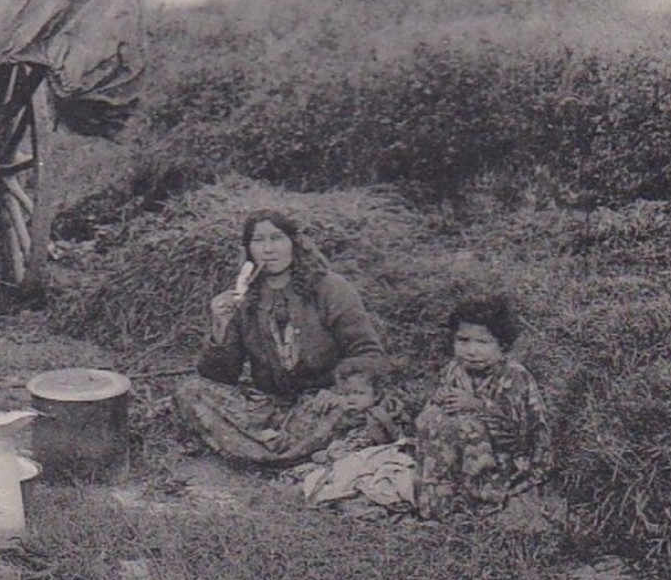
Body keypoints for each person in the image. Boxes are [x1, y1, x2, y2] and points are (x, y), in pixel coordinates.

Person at [173, 210, 391, 467]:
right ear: (248, 250)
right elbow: (222, 376)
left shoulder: (330, 288)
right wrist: (220, 327)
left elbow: (367, 353)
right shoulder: (244, 297)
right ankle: (287, 453)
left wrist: (338, 390)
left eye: (276, 238)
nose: (268, 249)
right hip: (268, 405)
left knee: (351, 411)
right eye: (258, 241)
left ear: (294, 243)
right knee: (190, 391)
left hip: (320, 403)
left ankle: (256, 451)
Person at [414, 294, 552, 521]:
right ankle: (438, 498)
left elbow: (521, 435)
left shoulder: (513, 376)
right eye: (463, 340)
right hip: (464, 451)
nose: (471, 351)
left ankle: (483, 500)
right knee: (429, 417)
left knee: (466, 425)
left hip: (508, 458)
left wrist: (478, 405)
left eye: (483, 342)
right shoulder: (454, 369)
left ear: (502, 345)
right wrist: (439, 400)